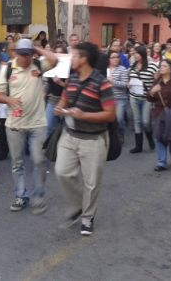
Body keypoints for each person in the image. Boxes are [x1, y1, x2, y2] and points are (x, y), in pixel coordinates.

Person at [54, 42, 116, 237]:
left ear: (83, 59)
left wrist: (84, 116)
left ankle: (87, 217)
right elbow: (65, 98)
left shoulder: (102, 83)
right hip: (69, 135)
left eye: (73, 56)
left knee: (91, 182)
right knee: (62, 172)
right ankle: (78, 205)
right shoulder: (71, 79)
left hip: (93, 139)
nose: (70, 59)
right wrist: (60, 108)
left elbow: (110, 115)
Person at [0, 39, 58, 214]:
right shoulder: (7, 68)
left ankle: (39, 197)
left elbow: (54, 60)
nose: (25, 58)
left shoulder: (38, 65)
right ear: (15, 53)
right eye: (21, 54)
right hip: (15, 125)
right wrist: (8, 99)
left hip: (38, 123)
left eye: (28, 54)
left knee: (39, 160)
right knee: (17, 163)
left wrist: (35, 46)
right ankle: (21, 196)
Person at [128, 46, 158, 153]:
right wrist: (129, 84)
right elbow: (129, 79)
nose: (135, 55)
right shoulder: (132, 66)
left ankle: (150, 138)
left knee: (145, 122)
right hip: (134, 96)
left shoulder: (151, 66)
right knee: (137, 120)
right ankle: (138, 146)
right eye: (134, 53)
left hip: (146, 98)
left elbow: (157, 80)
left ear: (143, 54)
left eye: (137, 53)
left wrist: (153, 89)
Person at [107, 50, 130, 141]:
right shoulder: (106, 69)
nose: (116, 59)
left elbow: (125, 85)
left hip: (120, 98)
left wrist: (113, 82)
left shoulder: (122, 69)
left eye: (117, 57)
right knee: (110, 119)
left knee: (119, 119)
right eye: (113, 57)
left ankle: (121, 134)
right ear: (109, 59)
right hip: (108, 98)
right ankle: (112, 137)